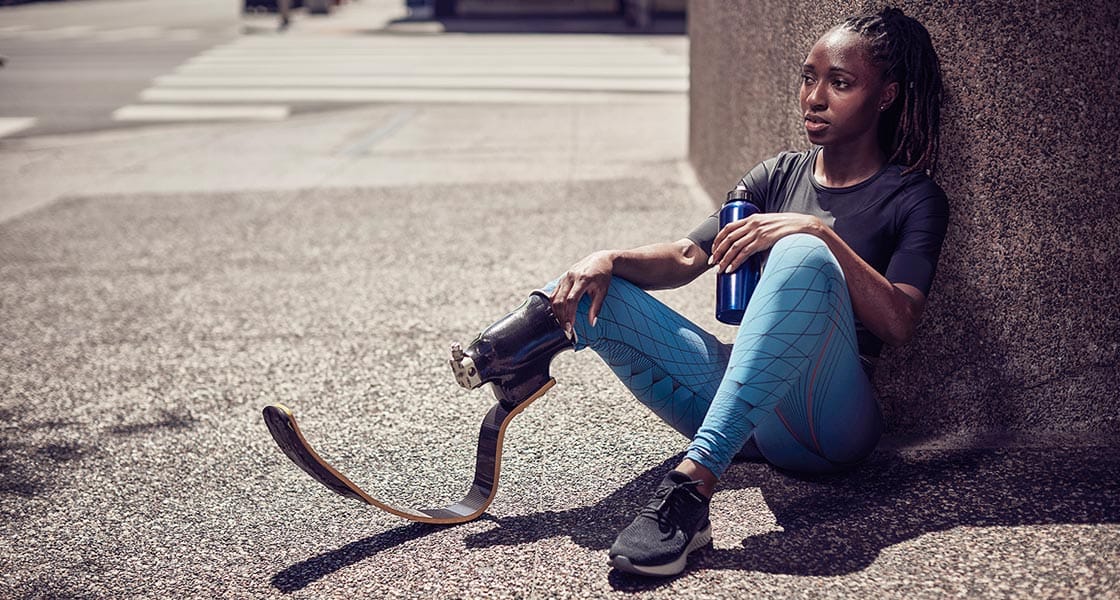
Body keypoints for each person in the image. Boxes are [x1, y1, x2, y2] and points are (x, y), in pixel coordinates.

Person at [451, 6, 948, 577]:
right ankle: (502, 354)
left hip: (832, 420)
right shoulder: (775, 176)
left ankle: (691, 489)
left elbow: (900, 321)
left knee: (801, 252)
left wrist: (816, 233)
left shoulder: (913, 197)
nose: (814, 97)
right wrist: (607, 259)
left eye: (840, 83)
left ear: (885, 96)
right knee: (602, 287)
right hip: (750, 413)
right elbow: (689, 256)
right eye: (808, 77)